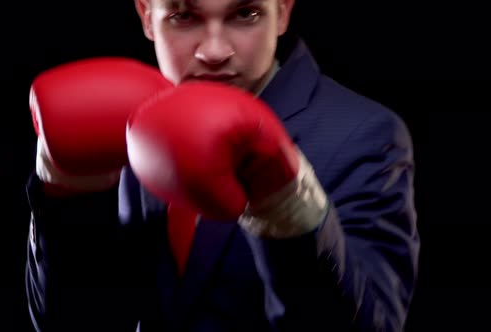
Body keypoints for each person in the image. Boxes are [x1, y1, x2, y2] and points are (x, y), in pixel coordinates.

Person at [24, 0, 420, 331]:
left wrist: (288, 207)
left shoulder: (363, 133)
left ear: (282, 11)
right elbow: (70, 320)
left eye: (245, 13)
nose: (214, 52)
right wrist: (66, 191)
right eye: (184, 15)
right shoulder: (121, 121)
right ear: (147, 16)